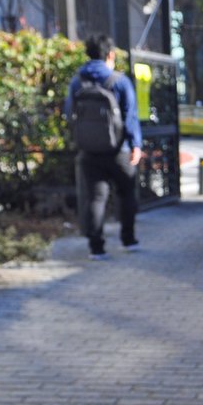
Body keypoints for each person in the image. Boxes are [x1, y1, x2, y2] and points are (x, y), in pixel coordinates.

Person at [64, 34, 143, 260]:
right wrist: (135, 144)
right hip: (118, 150)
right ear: (110, 55)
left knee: (95, 198)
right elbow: (130, 116)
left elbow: (69, 113)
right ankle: (128, 239)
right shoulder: (119, 81)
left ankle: (96, 248)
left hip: (89, 150)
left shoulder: (77, 81)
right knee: (126, 193)